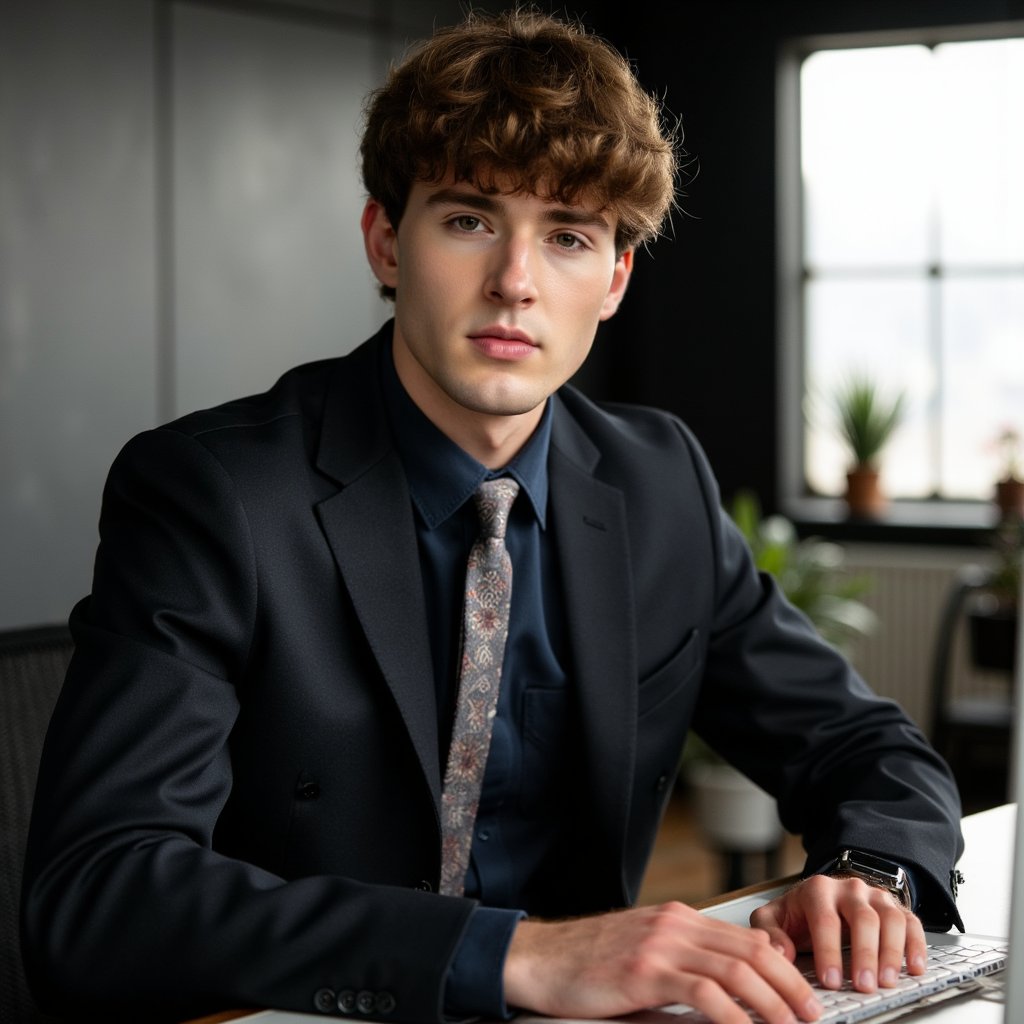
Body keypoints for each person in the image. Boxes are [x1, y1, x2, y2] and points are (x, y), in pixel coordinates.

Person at [22, 9, 963, 1024]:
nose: (515, 283)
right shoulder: (212, 493)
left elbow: (866, 747)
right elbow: (99, 894)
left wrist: (874, 879)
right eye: (469, 219)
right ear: (386, 241)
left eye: (567, 236)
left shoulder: (656, 482)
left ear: (613, 280)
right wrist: (509, 953)